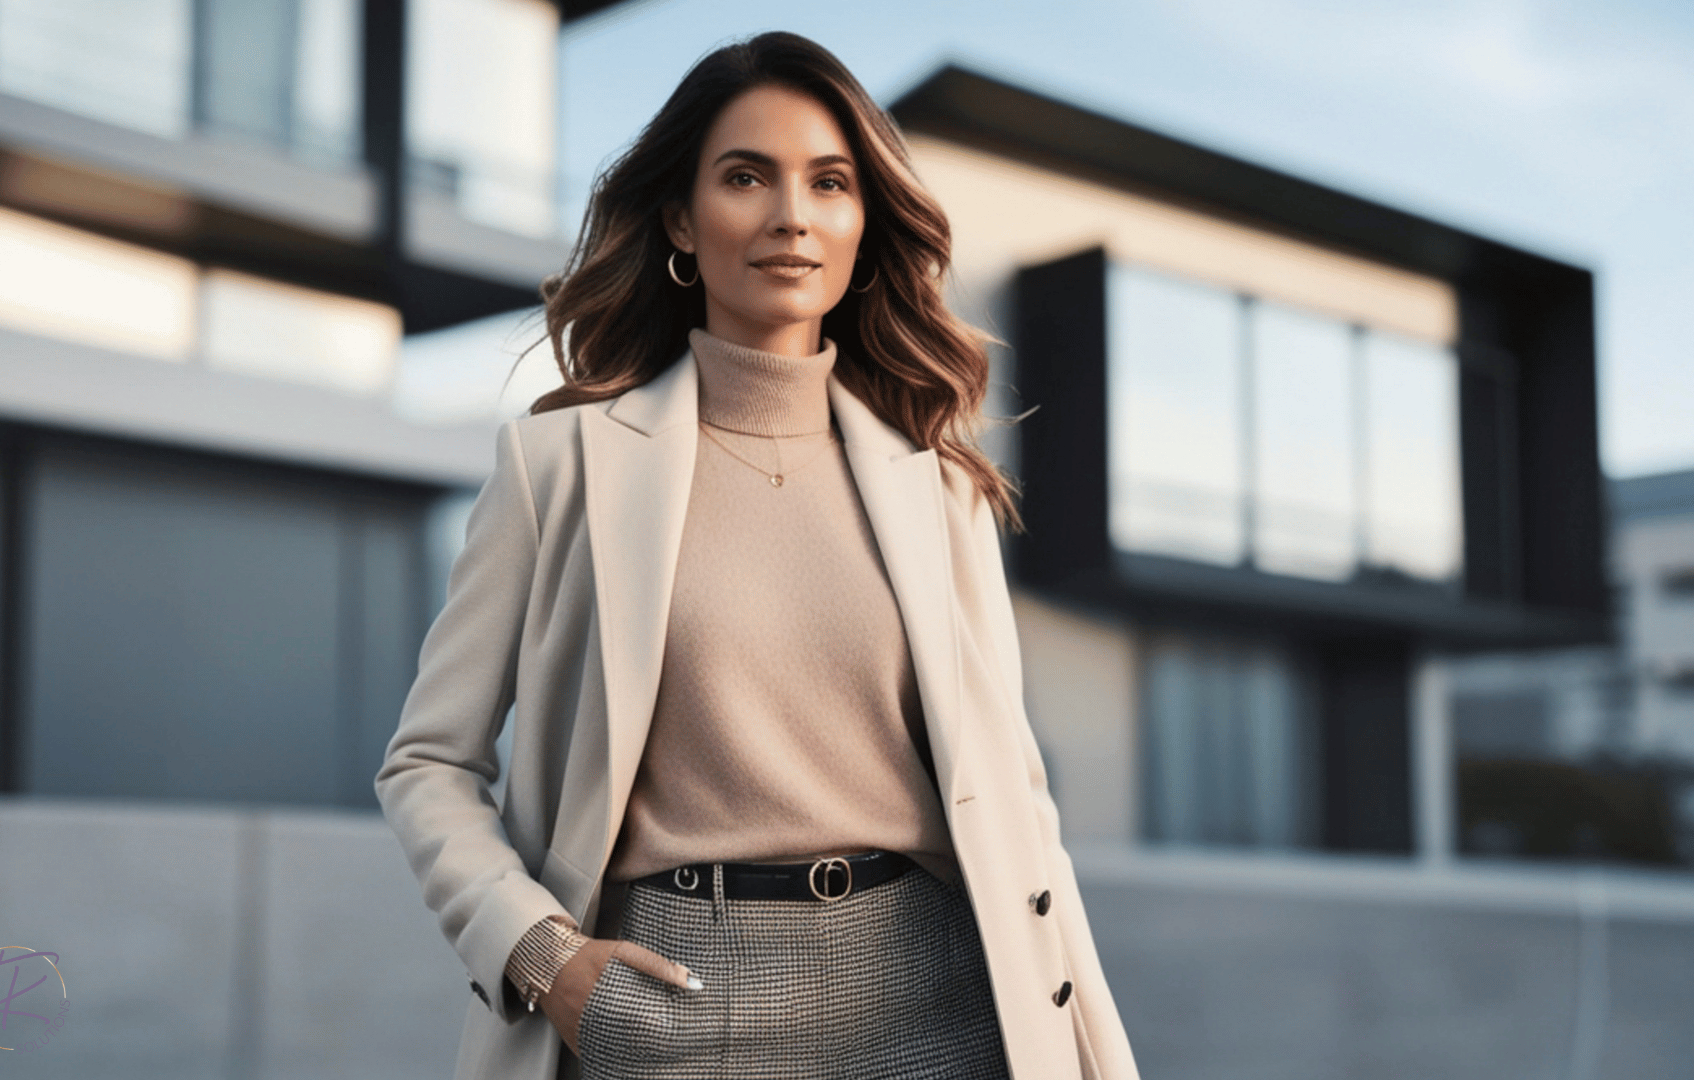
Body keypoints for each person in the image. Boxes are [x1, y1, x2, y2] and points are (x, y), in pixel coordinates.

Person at [376, 31, 1139, 1080]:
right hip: (677, 1000)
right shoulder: (561, 467)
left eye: (829, 183)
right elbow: (428, 763)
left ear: (864, 225)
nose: (791, 215)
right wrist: (545, 958)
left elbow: (1015, 793)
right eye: (746, 176)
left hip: (943, 997)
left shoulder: (939, 484)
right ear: (683, 220)